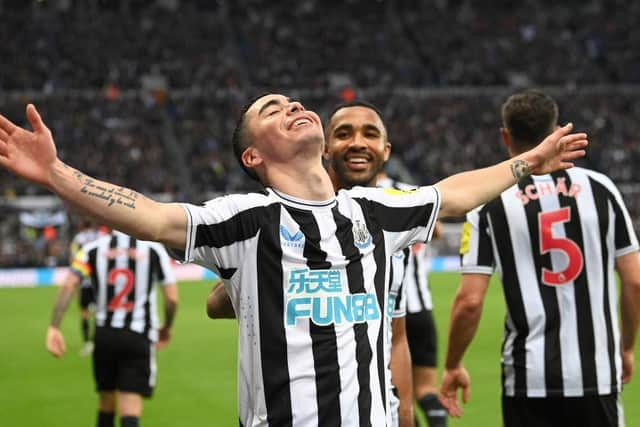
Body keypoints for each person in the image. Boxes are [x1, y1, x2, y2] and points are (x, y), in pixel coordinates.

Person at [0, 94, 586, 426]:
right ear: (253, 153)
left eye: (294, 100)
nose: (293, 104)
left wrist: (531, 159)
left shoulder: (377, 210)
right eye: (272, 107)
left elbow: (455, 193)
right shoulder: (245, 219)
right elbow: (150, 215)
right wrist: (56, 173)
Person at [439, 89, 640, 427]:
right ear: (556, 131)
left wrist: (452, 364)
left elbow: (469, 302)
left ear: (505, 136)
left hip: (528, 377)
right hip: (597, 372)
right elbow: (635, 281)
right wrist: (627, 348)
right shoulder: (601, 189)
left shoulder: (491, 202)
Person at [46, 229, 179, 427]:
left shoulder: (91, 249)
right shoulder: (153, 250)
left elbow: (69, 285)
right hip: (138, 334)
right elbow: (171, 298)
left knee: (106, 401)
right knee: (130, 407)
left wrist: (54, 327)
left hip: (104, 334)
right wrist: (167, 326)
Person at [376, 176, 447, 427]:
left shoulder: (364, 197)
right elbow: (436, 231)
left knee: (397, 394)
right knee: (426, 389)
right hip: (422, 309)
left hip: (391, 314)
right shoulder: (411, 192)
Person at [68, 216, 104, 356]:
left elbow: (73, 259)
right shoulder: (101, 236)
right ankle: (99, 341)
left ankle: (88, 343)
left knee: (84, 314)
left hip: (84, 281)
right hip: (99, 280)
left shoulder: (78, 239)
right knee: (100, 313)